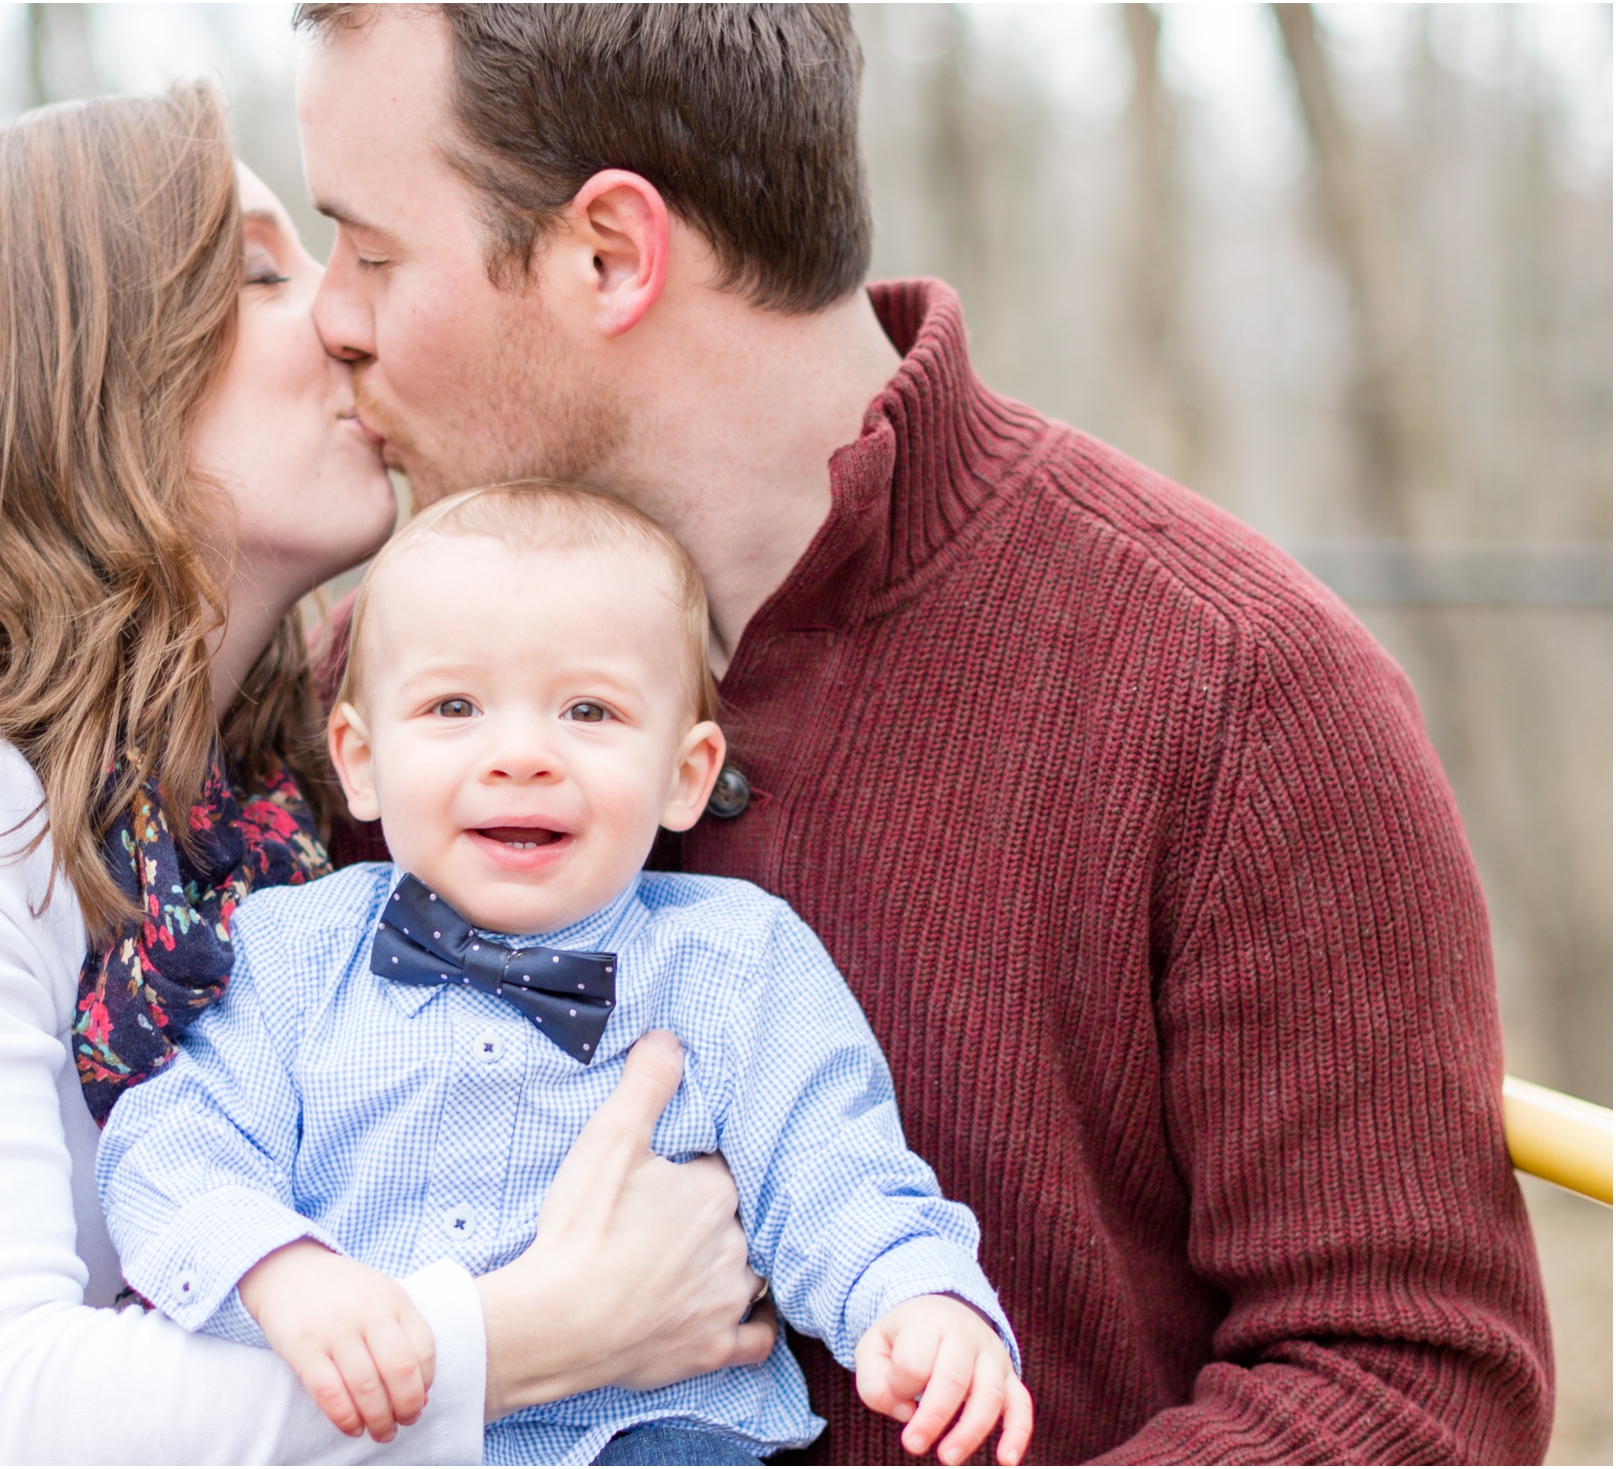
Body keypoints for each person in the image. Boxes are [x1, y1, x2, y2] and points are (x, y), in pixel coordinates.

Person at [291, 6, 1555, 1463]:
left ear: (609, 255)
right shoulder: (373, 705)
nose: (334, 315)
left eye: (373, 252)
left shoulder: (1238, 693)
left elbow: (1410, 1380)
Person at [0, 91, 774, 1463]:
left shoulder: (240, 812)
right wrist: (542, 1334)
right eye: (258, 271)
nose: (343, 317)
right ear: (59, 381)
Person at [97, 484, 1034, 1468]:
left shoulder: (735, 965)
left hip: (656, 1441)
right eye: (453, 705)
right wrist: (278, 1269)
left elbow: (839, 1175)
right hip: (368, 1444)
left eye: (588, 708)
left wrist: (918, 1299)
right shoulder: (290, 952)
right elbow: (174, 1141)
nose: (519, 755)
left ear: (684, 774)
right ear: (360, 761)